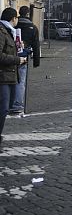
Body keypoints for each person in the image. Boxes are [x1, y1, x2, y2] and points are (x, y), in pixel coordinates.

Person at [0, 8, 27, 148]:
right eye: (16, 18)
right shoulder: (2, 31)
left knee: (6, 108)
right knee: (3, 108)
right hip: (3, 76)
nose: (17, 20)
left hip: (9, 76)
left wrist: (19, 48)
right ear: (13, 18)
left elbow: (7, 50)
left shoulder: (9, 31)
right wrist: (18, 60)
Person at [9, 6, 40, 114]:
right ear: (27, 14)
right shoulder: (33, 27)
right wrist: (36, 61)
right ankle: (17, 104)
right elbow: (36, 44)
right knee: (20, 81)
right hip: (24, 55)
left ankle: (9, 102)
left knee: (9, 79)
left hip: (10, 55)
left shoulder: (14, 24)